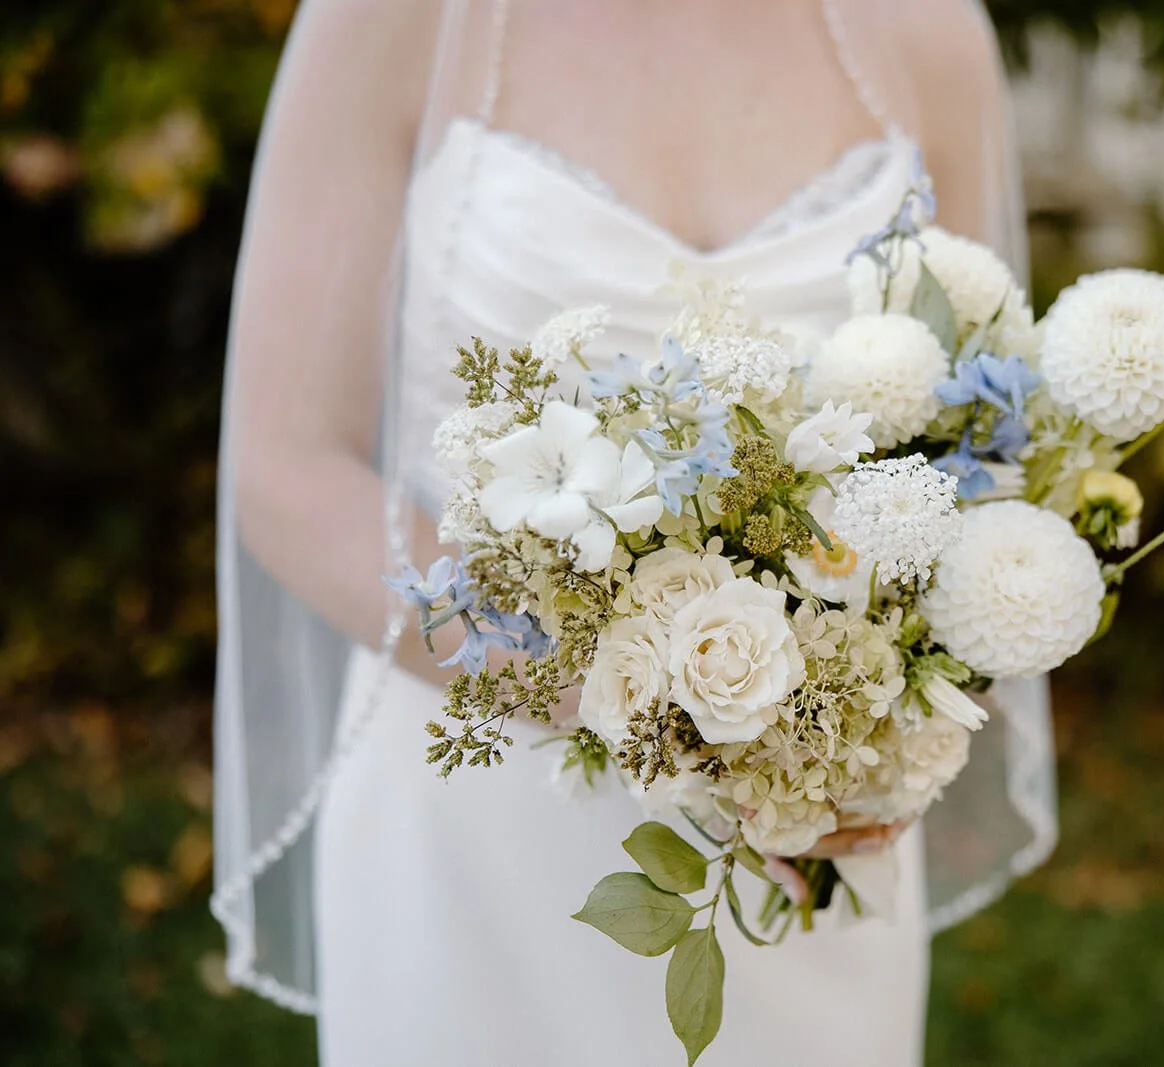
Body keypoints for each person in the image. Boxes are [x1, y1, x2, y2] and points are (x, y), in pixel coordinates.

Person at [211, 1, 1054, 1062]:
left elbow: (976, 448)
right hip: (477, 815)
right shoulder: (396, 19)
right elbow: (288, 469)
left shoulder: (925, 31)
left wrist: (870, 716)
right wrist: (655, 707)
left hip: (797, 844)